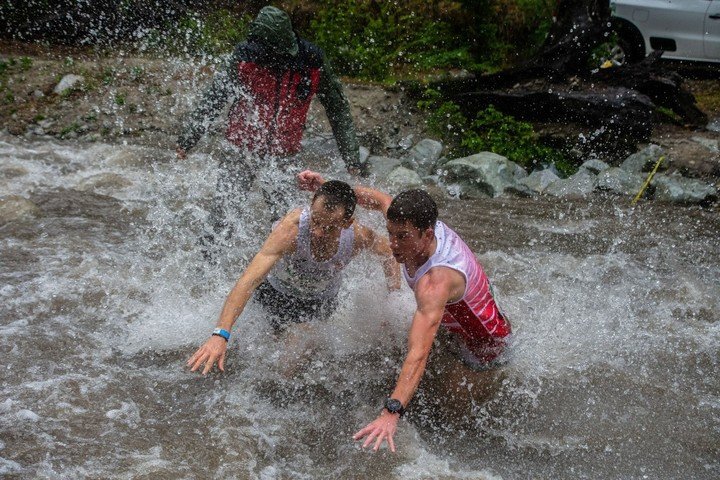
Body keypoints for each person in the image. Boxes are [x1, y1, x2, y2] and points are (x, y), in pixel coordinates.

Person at [298, 170, 512, 453]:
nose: (393, 245)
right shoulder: (412, 221)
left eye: (403, 237)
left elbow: (418, 352)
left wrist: (391, 411)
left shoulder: (435, 282)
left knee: (451, 422)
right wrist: (329, 188)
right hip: (456, 324)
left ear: (427, 233)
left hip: (484, 347)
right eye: (391, 234)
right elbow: (377, 199)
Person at [176, 6, 365, 259]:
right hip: (240, 150)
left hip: (283, 155)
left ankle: (287, 275)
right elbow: (214, 97)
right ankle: (205, 270)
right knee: (222, 214)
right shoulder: (245, 58)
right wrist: (187, 140)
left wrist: (351, 157)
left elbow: (337, 108)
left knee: (287, 219)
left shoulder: (312, 63)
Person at [187, 179, 399, 375]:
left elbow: (390, 254)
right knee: (255, 358)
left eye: (328, 227)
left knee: (289, 367)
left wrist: (393, 298)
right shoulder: (290, 230)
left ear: (346, 222)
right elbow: (249, 280)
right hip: (274, 296)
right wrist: (220, 334)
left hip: (318, 305)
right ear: (311, 207)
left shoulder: (358, 236)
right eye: (315, 221)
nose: (317, 232)